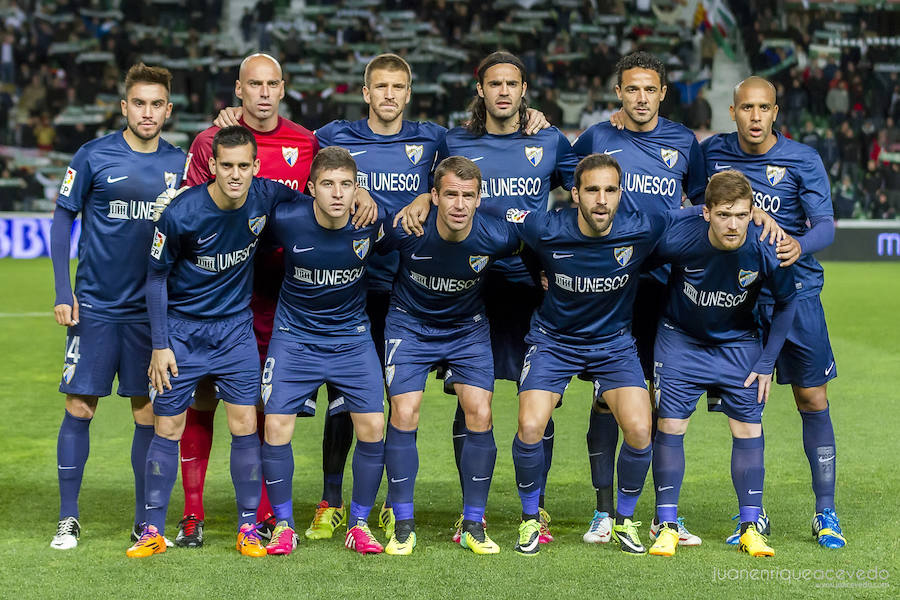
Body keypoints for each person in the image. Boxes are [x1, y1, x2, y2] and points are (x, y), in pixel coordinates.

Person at [176, 53, 373, 548]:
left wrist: (365, 190)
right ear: (237, 91)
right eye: (253, 85)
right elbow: (190, 215)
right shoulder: (209, 143)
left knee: (263, 406)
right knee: (200, 398)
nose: (263, 93)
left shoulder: (307, 142)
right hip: (222, 295)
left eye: (271, 85)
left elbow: (335, 178)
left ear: (282, 88)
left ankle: (264, 514)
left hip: (285, 297)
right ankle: (193, 513)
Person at [397, 51, 576, 545]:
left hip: (528, 286)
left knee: (537, 400)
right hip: (467, 288)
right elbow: (428, 189)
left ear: (524, 90)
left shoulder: (548, 139)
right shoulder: (454, 141)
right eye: (494, 83)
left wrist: (557, 258)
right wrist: (417, 198)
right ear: (481, 89)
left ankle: (534, 510)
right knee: (469, 397)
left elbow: (582, 194)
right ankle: (468, 510)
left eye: (512, 84)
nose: (503, 92)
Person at [127, 126, 300, 559]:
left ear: (256, 167)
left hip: (235, 332)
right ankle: (151, 528)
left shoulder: (266, 195)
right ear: (211, 167)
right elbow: (156, 278)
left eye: (244, 166)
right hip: (182, 334)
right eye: (227, 166)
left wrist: (360, 196)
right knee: (167, 427)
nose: (236, 175)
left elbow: (313, 202)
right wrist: (160, 344)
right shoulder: (181, 213)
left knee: (245, 425)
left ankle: (247, 528)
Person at [701, 76, 846, 549]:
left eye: (764, 108)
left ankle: (825, 512)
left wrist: (798, 243)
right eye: (747, 108)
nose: (756, 116)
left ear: (776, 112)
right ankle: (752, 516)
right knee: (747, 408)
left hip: (797, 295)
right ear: (733, 111)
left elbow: (826, 224)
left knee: (811, 399)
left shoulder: (803, 158)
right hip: (739, 300)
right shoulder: (711, 153)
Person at [506, 153, 675, 556]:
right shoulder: (545, 226)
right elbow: (506, 221)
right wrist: (537, 275)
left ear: (621, 194)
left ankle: (625, 520)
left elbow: (699, 216)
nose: (602, 199)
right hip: (553, 341)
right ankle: (531, 518)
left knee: (639, 429)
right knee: (530, 426)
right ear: (575, 194)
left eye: (611, 190)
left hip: (613, 344)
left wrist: (757, 215)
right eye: (593, 190)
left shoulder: (643, 226)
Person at [48, 63, 187, 550]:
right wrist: (64, 293)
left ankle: (145, 522)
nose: (147, 113)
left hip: (152, 315)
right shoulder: (92, 156)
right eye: (138, 103)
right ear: (124, 106)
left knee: (147, 414)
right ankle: (68, 518)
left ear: (168, 110)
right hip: (97, 309)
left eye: (156, 104)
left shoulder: (181, 163)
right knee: (80, 406)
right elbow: (62, 220)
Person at [573, 51, 707, 547]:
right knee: (606, 397)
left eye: (650, 89)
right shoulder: (597, 137)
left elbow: (702, 206)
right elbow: (564, 186)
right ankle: (603, 512)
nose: (641, 98)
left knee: (662, 400)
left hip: (668, 284)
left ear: (663, 93)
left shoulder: (683, 142)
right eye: (632, 89)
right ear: (618, 92)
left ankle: (663, 514)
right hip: (611, 285)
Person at [647, 170, 797, 558]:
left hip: (738, 342)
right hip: (680, 337)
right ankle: (666, 524)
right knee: (670, 423)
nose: (733, 225)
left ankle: (750, 526)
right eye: (724, 215)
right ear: (707, 212)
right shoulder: (680, 236)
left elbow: (787, 303)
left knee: (747, 427)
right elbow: (639, 259)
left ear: (754, 214)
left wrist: (766, 363)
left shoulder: (768, 246)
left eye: (742, 215)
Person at [379, 156, 522, 555]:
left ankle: (474, 523)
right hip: (409, 324)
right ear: (435, 196)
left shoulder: (496, 234)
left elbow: (543, 241)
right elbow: (359, 237)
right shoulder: (408, 227)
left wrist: (543, 272)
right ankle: (403, 522)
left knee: (480, 411)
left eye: (468, 196)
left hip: (467, 328)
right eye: (451, 195)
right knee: (405, 411)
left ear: (480, 199)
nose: (459, 204)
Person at [258, 147, 387, 556]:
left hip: (351, 338)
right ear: (311, 187)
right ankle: (283, 525)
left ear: (357, 190)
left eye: (346, 185)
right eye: (328, 184)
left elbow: (419, 223)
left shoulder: (371, 222)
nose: (337, 194)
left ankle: (359, 523)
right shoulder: (285, 219)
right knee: (276, 428)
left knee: (373, 428)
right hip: (294, 338)